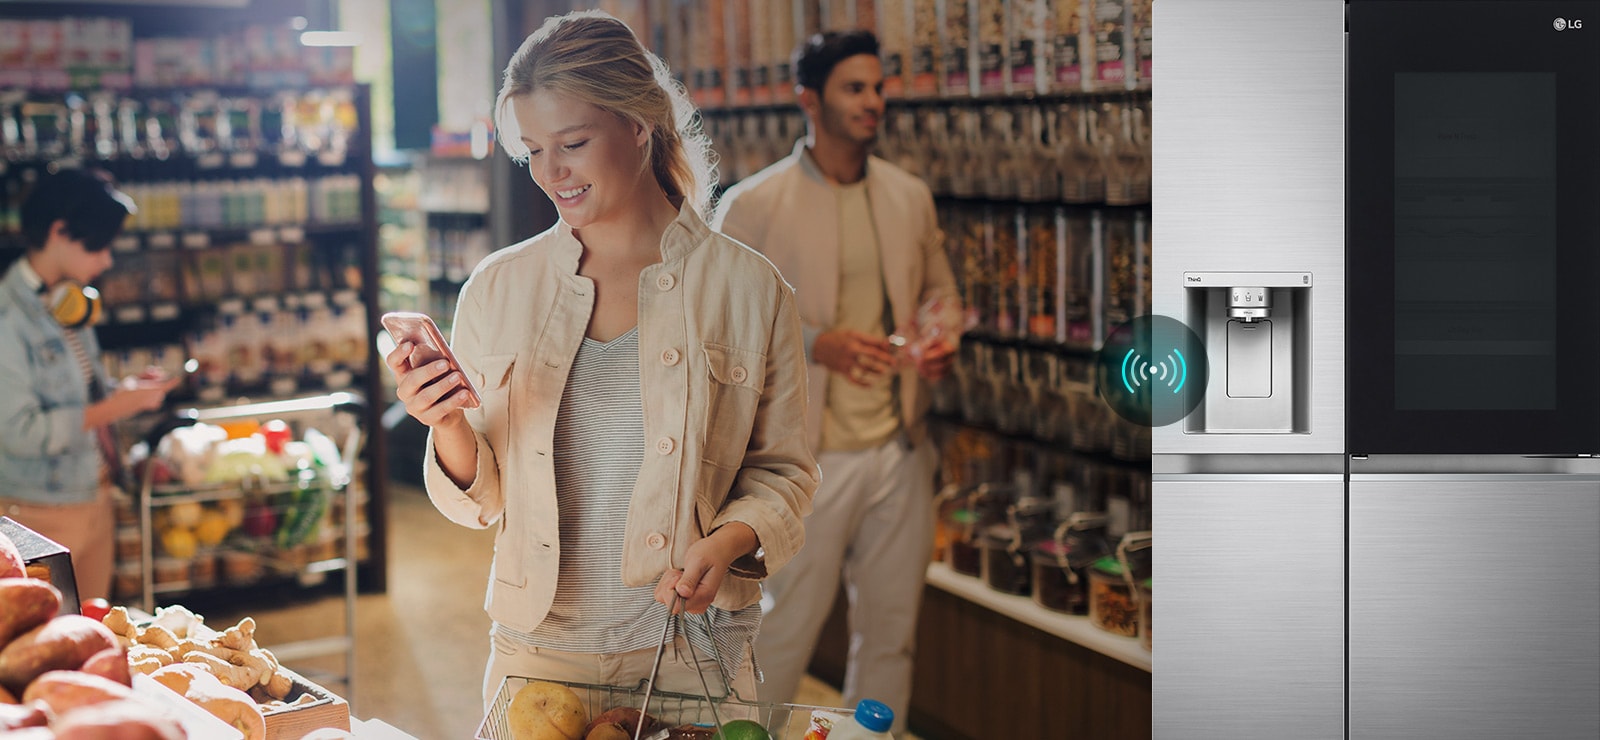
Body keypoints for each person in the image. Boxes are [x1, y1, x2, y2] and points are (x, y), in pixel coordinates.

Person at [384, 10, 818, 711]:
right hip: (538, 656)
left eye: (573, 143)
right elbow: (483, 501)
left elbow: (785, 473)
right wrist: (446, 425)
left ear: (638, 125)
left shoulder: (749, 288)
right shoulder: (498, 287)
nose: (552, 173)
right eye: (533, 151)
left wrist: (728, 540)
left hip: (692, 654)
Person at [711, 29, 962, 732]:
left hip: (899, 450)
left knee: (890, 638)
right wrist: (820, 344)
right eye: (855, 88)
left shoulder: (909, 196)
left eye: (878, 87)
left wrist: (941, 340)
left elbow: (941, 294)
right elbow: (717, 329)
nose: (873, 102)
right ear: (808, 102)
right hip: (803, 463)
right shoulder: (753, 206)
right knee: (782, 630)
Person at [0, 168, 179, 601]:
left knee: (95, 626)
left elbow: (76, 391)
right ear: (59, 231)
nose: (106, 260)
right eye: (98, 245)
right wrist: (116, 408)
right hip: (40, 510)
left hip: (95, 494)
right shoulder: (9, 316)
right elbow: (18, 431)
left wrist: (122, 392)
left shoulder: (68, 298)